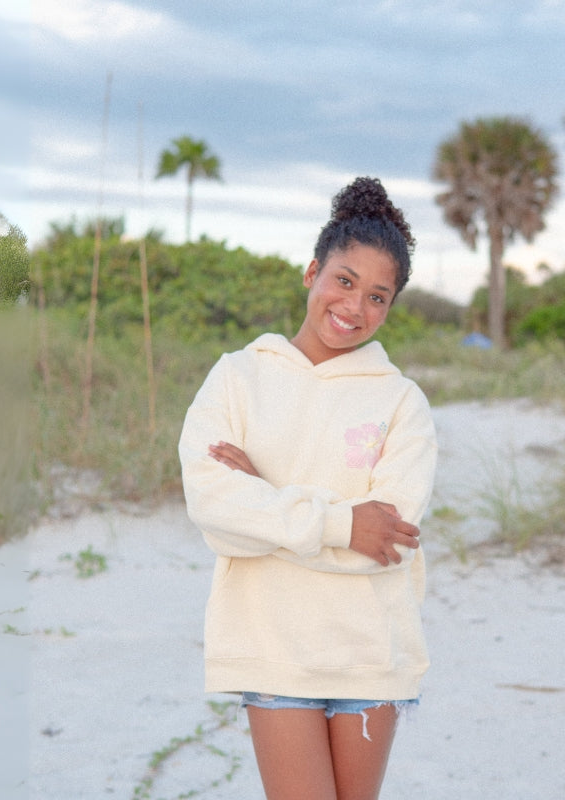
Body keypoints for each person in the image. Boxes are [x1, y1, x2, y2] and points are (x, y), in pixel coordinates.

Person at [178, 176, 437, 800]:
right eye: (344, 281)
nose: (354, 307)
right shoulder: (238, 377)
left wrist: (263, 496)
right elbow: (216, 511)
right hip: (274, 644)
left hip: (373, 650)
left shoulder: (403, 402)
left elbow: (389, 544)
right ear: (312, 272)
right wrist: (345, 524)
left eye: (378, 297)